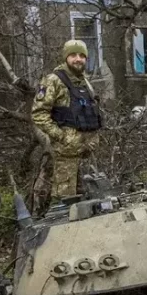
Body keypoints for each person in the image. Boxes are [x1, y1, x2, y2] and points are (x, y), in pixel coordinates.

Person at [31, 39, 102, 202]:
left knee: (88, 198)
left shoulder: (85, 82)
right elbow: (39, 114)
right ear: (66, 57)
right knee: (65, 200)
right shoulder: (54, 80)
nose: (78, 59)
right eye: (73, 55)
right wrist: (62, 137)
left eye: (82, 56)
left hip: (87, 152)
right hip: (66, 154)